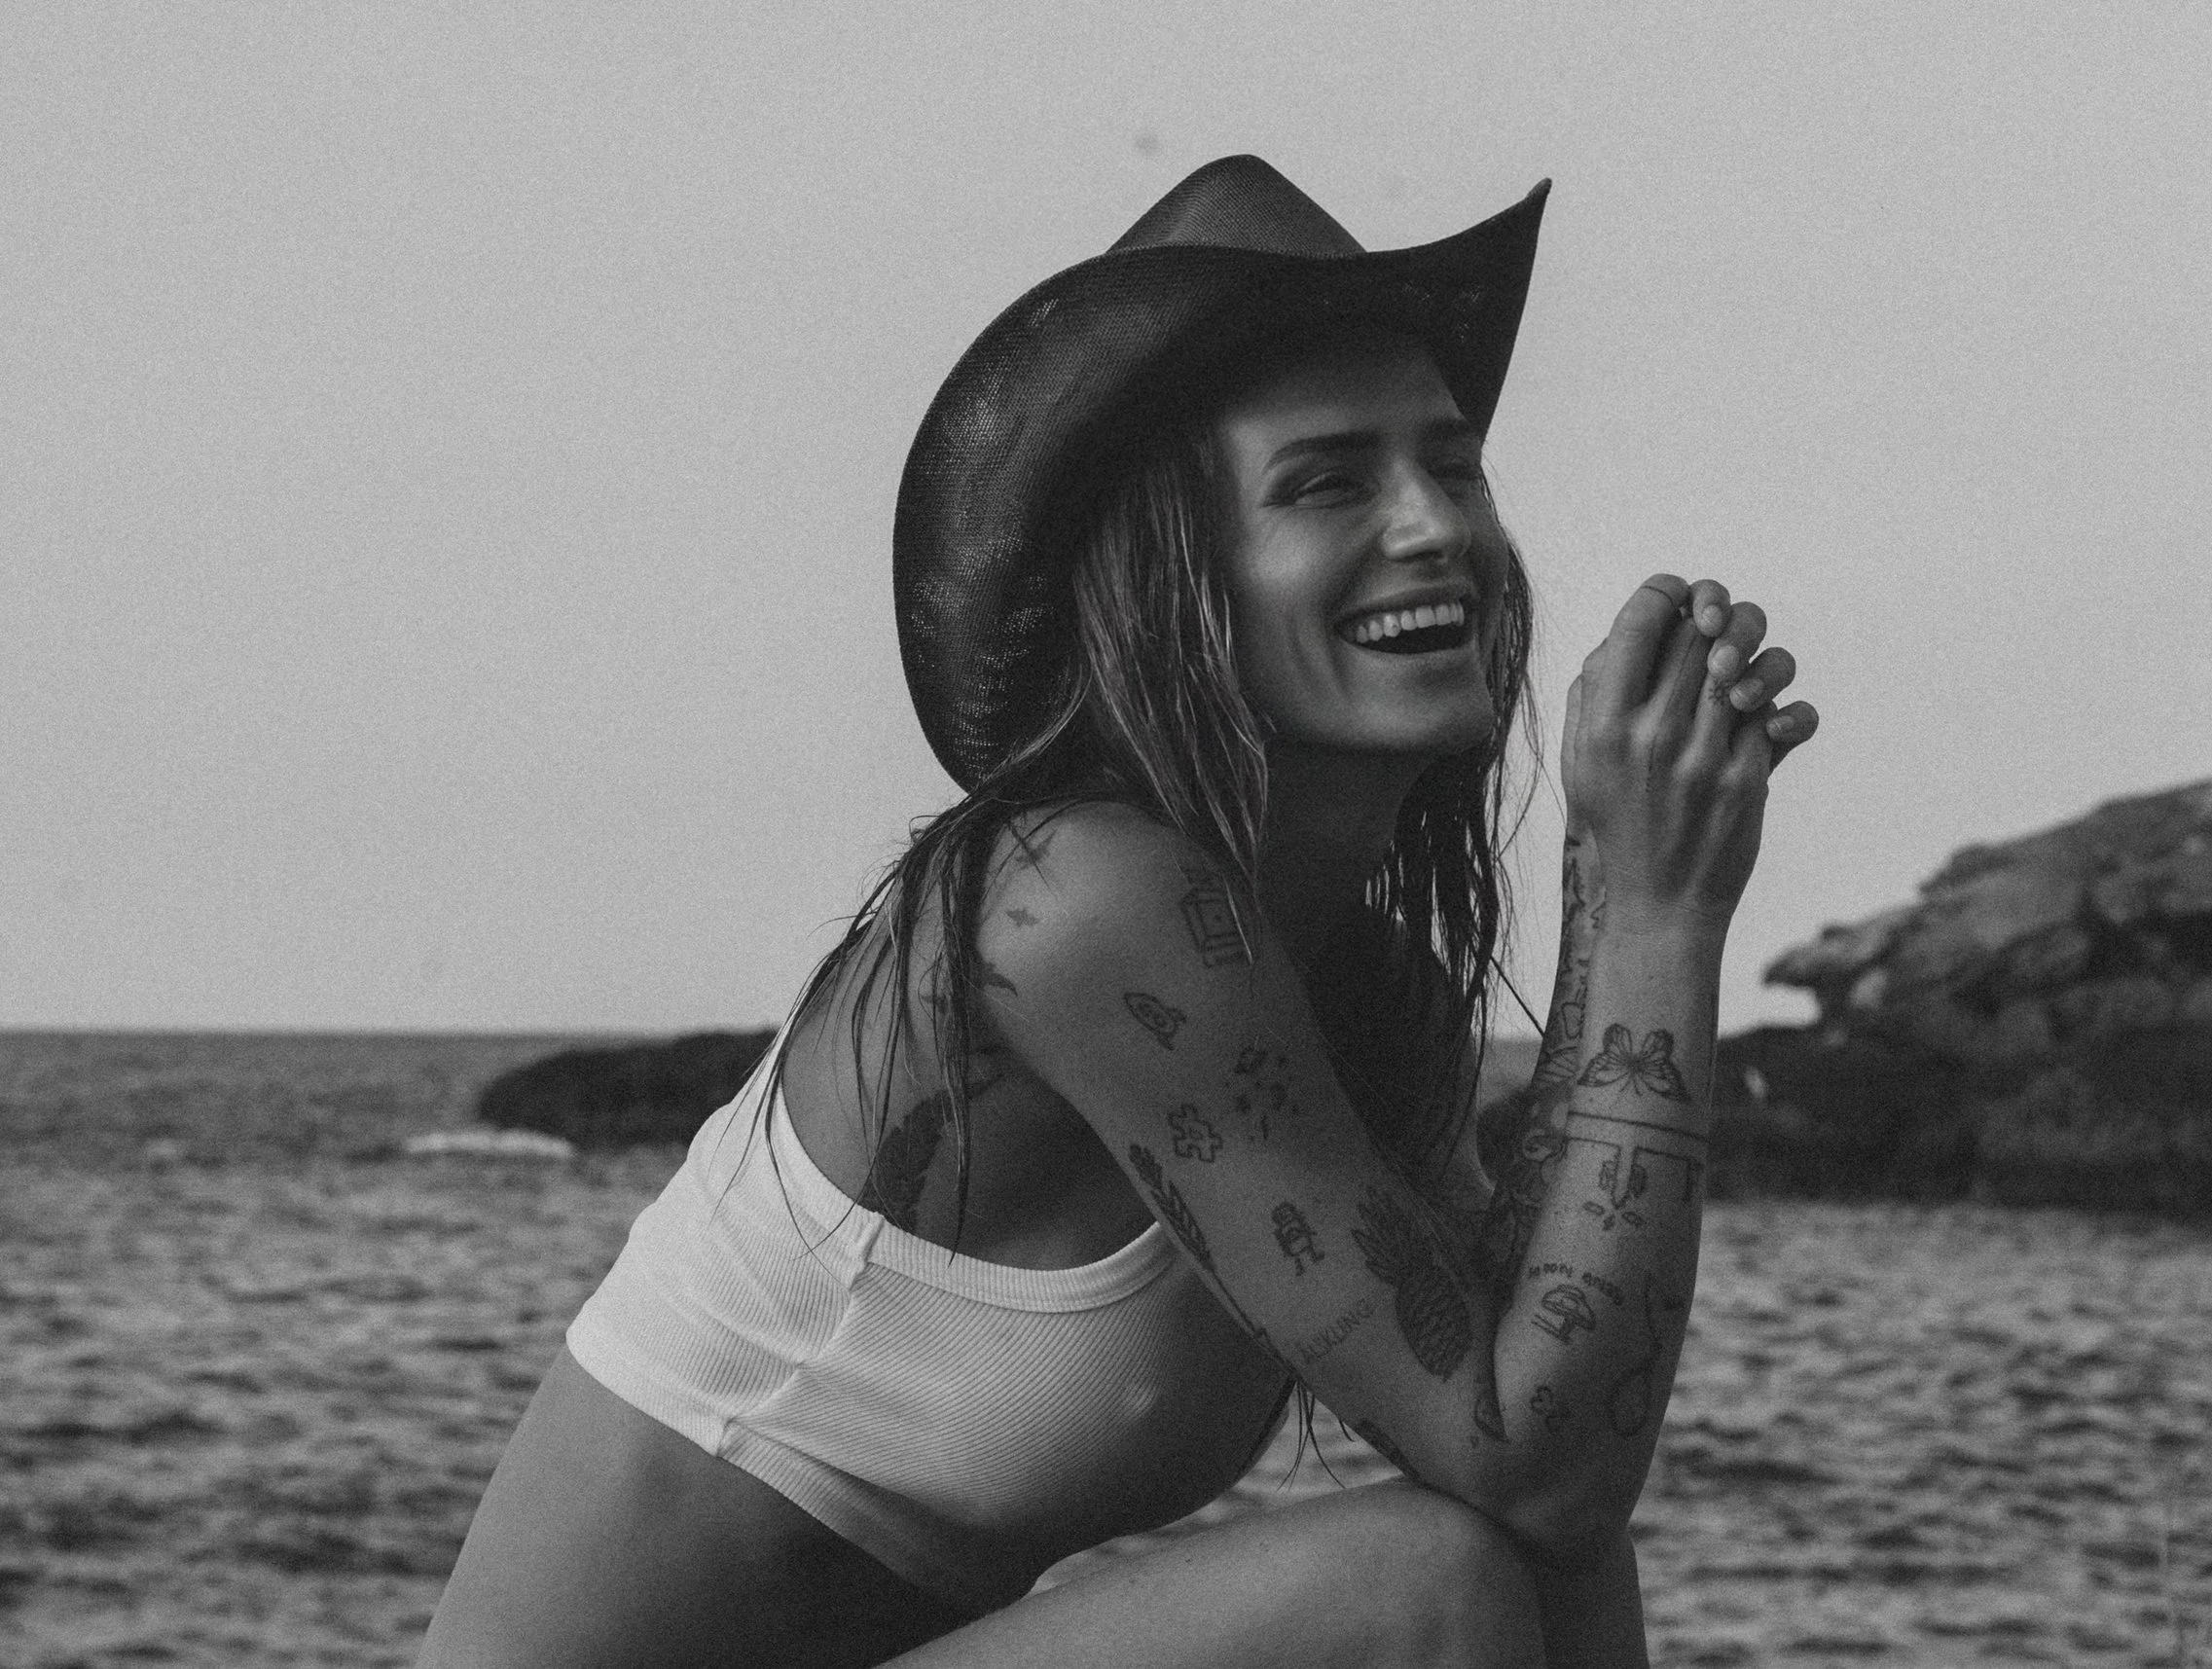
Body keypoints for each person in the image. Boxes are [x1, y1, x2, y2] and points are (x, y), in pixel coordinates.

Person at [417, 155, 1817, 1669]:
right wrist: (1648, 911)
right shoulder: (1079, 901)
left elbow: (1558, 1468)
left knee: (1516, 1562)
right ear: (1177, 571)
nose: (1435, 526)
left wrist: (1641, 904)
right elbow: (1524, 1454)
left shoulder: (1367, 994)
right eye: (1330, 481)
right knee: (1424, 1587)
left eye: (1454, 464)